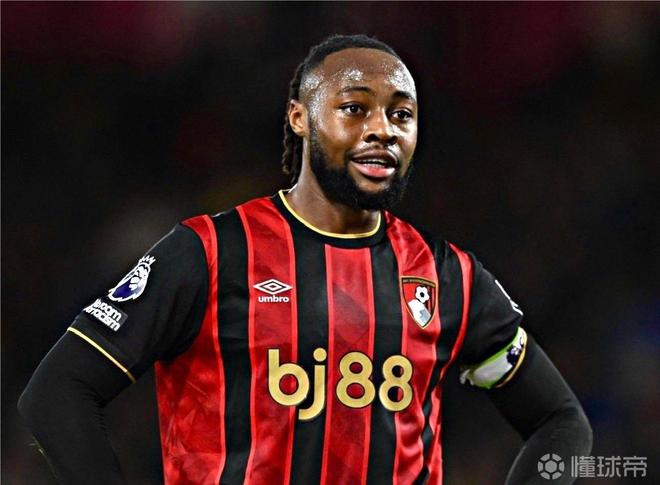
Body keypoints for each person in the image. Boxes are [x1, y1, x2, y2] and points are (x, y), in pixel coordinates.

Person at [18, 34, 592, 485]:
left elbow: (561, 423)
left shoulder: (449, 277)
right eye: (355, 108)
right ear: (300, 117)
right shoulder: (211, 253)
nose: (382, 130)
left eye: (401, 114)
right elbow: (57, 393)